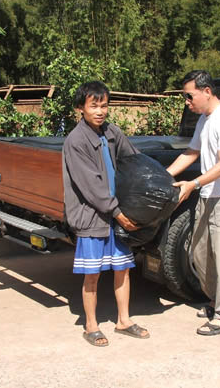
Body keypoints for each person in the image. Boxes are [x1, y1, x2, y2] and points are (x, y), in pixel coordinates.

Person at [62, 81, 150, 347]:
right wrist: (118, 213)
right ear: (81, 108)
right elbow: (92, 187)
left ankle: (124, 321)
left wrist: (153, 179)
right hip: (93, 217)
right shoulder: (76, 141)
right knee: (92, 274)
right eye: (94, 106)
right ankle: (91, 325)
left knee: (123, 269)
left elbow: (133, 158)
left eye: (104, 105)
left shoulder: (111, 132)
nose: (100, 111)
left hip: (116, 214)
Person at [167, 70, 220, 336]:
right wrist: (164, 176)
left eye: (189, 96)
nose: (187, 102)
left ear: (207, 91)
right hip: (207, 196)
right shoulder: (205, 119)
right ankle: (215, 301)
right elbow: (192, 152)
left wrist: (193, 183)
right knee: (200, 255)